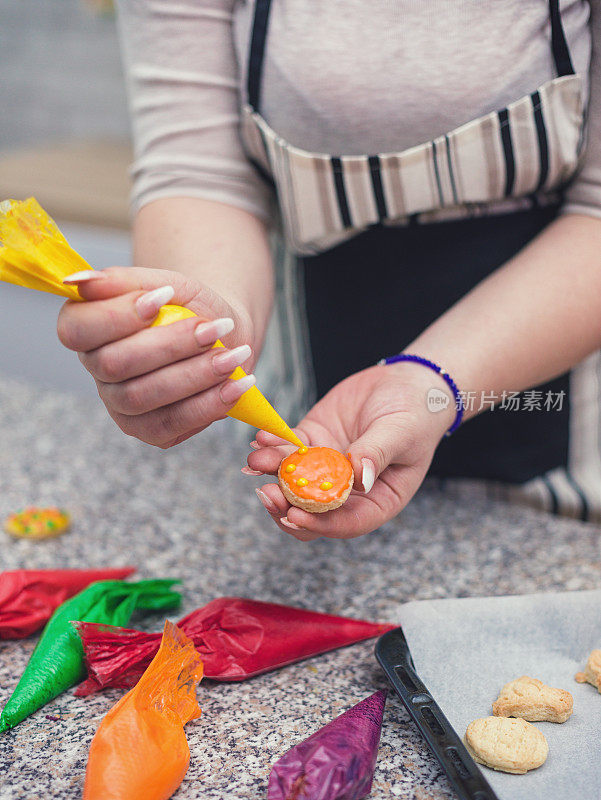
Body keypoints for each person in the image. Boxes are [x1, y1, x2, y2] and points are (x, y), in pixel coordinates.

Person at [58, 0, 601, 540]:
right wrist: (207, 331)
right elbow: (199, 171)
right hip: (306, 419)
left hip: (565, 466)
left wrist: (430, 382)